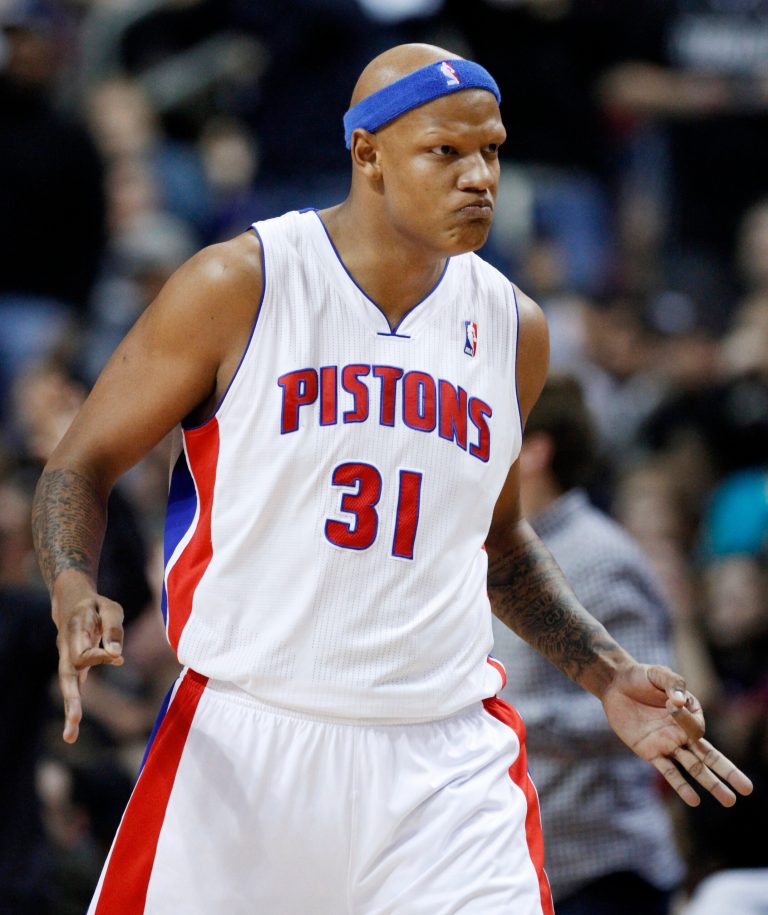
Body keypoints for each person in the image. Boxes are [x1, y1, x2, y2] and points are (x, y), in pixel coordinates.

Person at [31, 43, 752, 914]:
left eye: (491, 149)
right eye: (446, 152)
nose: (479, 176)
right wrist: (73, 586)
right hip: (252, 736)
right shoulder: (241, 283)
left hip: (445, 761)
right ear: (366, 153)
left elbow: (499, 541)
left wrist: (604, 672)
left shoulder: (512, 326)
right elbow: (81, 460)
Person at [491, 373, 684, 914]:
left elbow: (663, 711)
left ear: (534, 452)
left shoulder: (604, 556)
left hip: (604, 865)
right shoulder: (482, 548)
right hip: (522, 857)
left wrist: (511, 718)